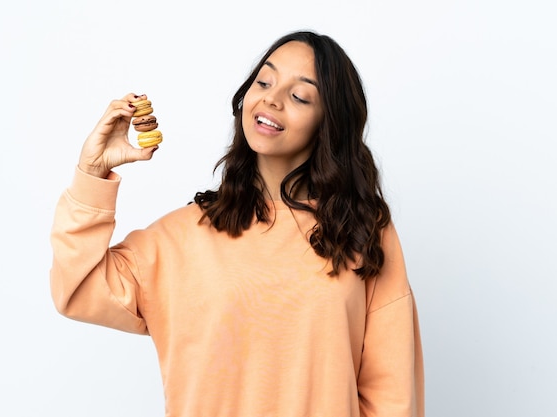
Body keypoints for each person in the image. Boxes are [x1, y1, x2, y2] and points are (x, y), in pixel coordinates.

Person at [50, 30, 424, 416]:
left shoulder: (362, 229)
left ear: (329, 122)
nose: (272, 99)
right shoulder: (182, 236)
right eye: (264, 81)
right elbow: (77, 290)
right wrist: (92, 173)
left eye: (300, 96)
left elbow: (392, 395)